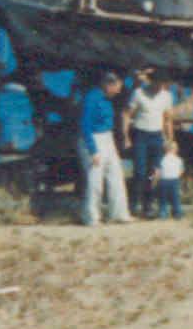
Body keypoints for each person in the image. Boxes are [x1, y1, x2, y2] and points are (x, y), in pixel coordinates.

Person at [79, 70, 132, 225]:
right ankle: (91, 216)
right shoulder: (91, 98)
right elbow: (85, 125)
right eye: (117, 87)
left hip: (107, 137)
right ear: (108, 84)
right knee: (94, 179)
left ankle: (119, 213)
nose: (118, 91)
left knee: (116, 175)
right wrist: (93, 150)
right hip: (93, 138)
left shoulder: (109, 99)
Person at [123, 68, 175, 218]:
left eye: (163, 83)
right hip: (141, 134)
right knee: (139, 171)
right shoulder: (139, 93)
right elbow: (127, 114)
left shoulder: (166, 96)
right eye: (158, 83)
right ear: (152, 81)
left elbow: (167, 119)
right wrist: (126, 136)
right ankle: (133, 202)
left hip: (156, 136)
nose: (160, 86)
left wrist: (170, 139)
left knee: (153, 173)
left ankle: (148, 204)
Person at [153, 138, 185, 219]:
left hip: (163, 181)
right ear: (175, 149)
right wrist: (177, 176)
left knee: (163, 198)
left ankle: (163, 212)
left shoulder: (160, 159)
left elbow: (157, 172)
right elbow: (181, 171)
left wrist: (154, 182)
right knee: (175, 198)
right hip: (174, 180)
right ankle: (177, 212)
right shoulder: (179, 160)